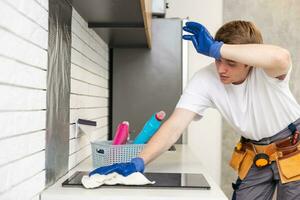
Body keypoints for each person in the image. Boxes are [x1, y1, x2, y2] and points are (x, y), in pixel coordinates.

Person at [89, 20, 300, 200]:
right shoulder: (205, 79)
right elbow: (174, 126)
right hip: (257, 152)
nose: (221, 69)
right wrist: (138, 162)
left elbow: (281, 57)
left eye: (231, 62)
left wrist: (217, 49)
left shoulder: (267, 73)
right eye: (217, 59)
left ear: (249, 63)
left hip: (294, 149)